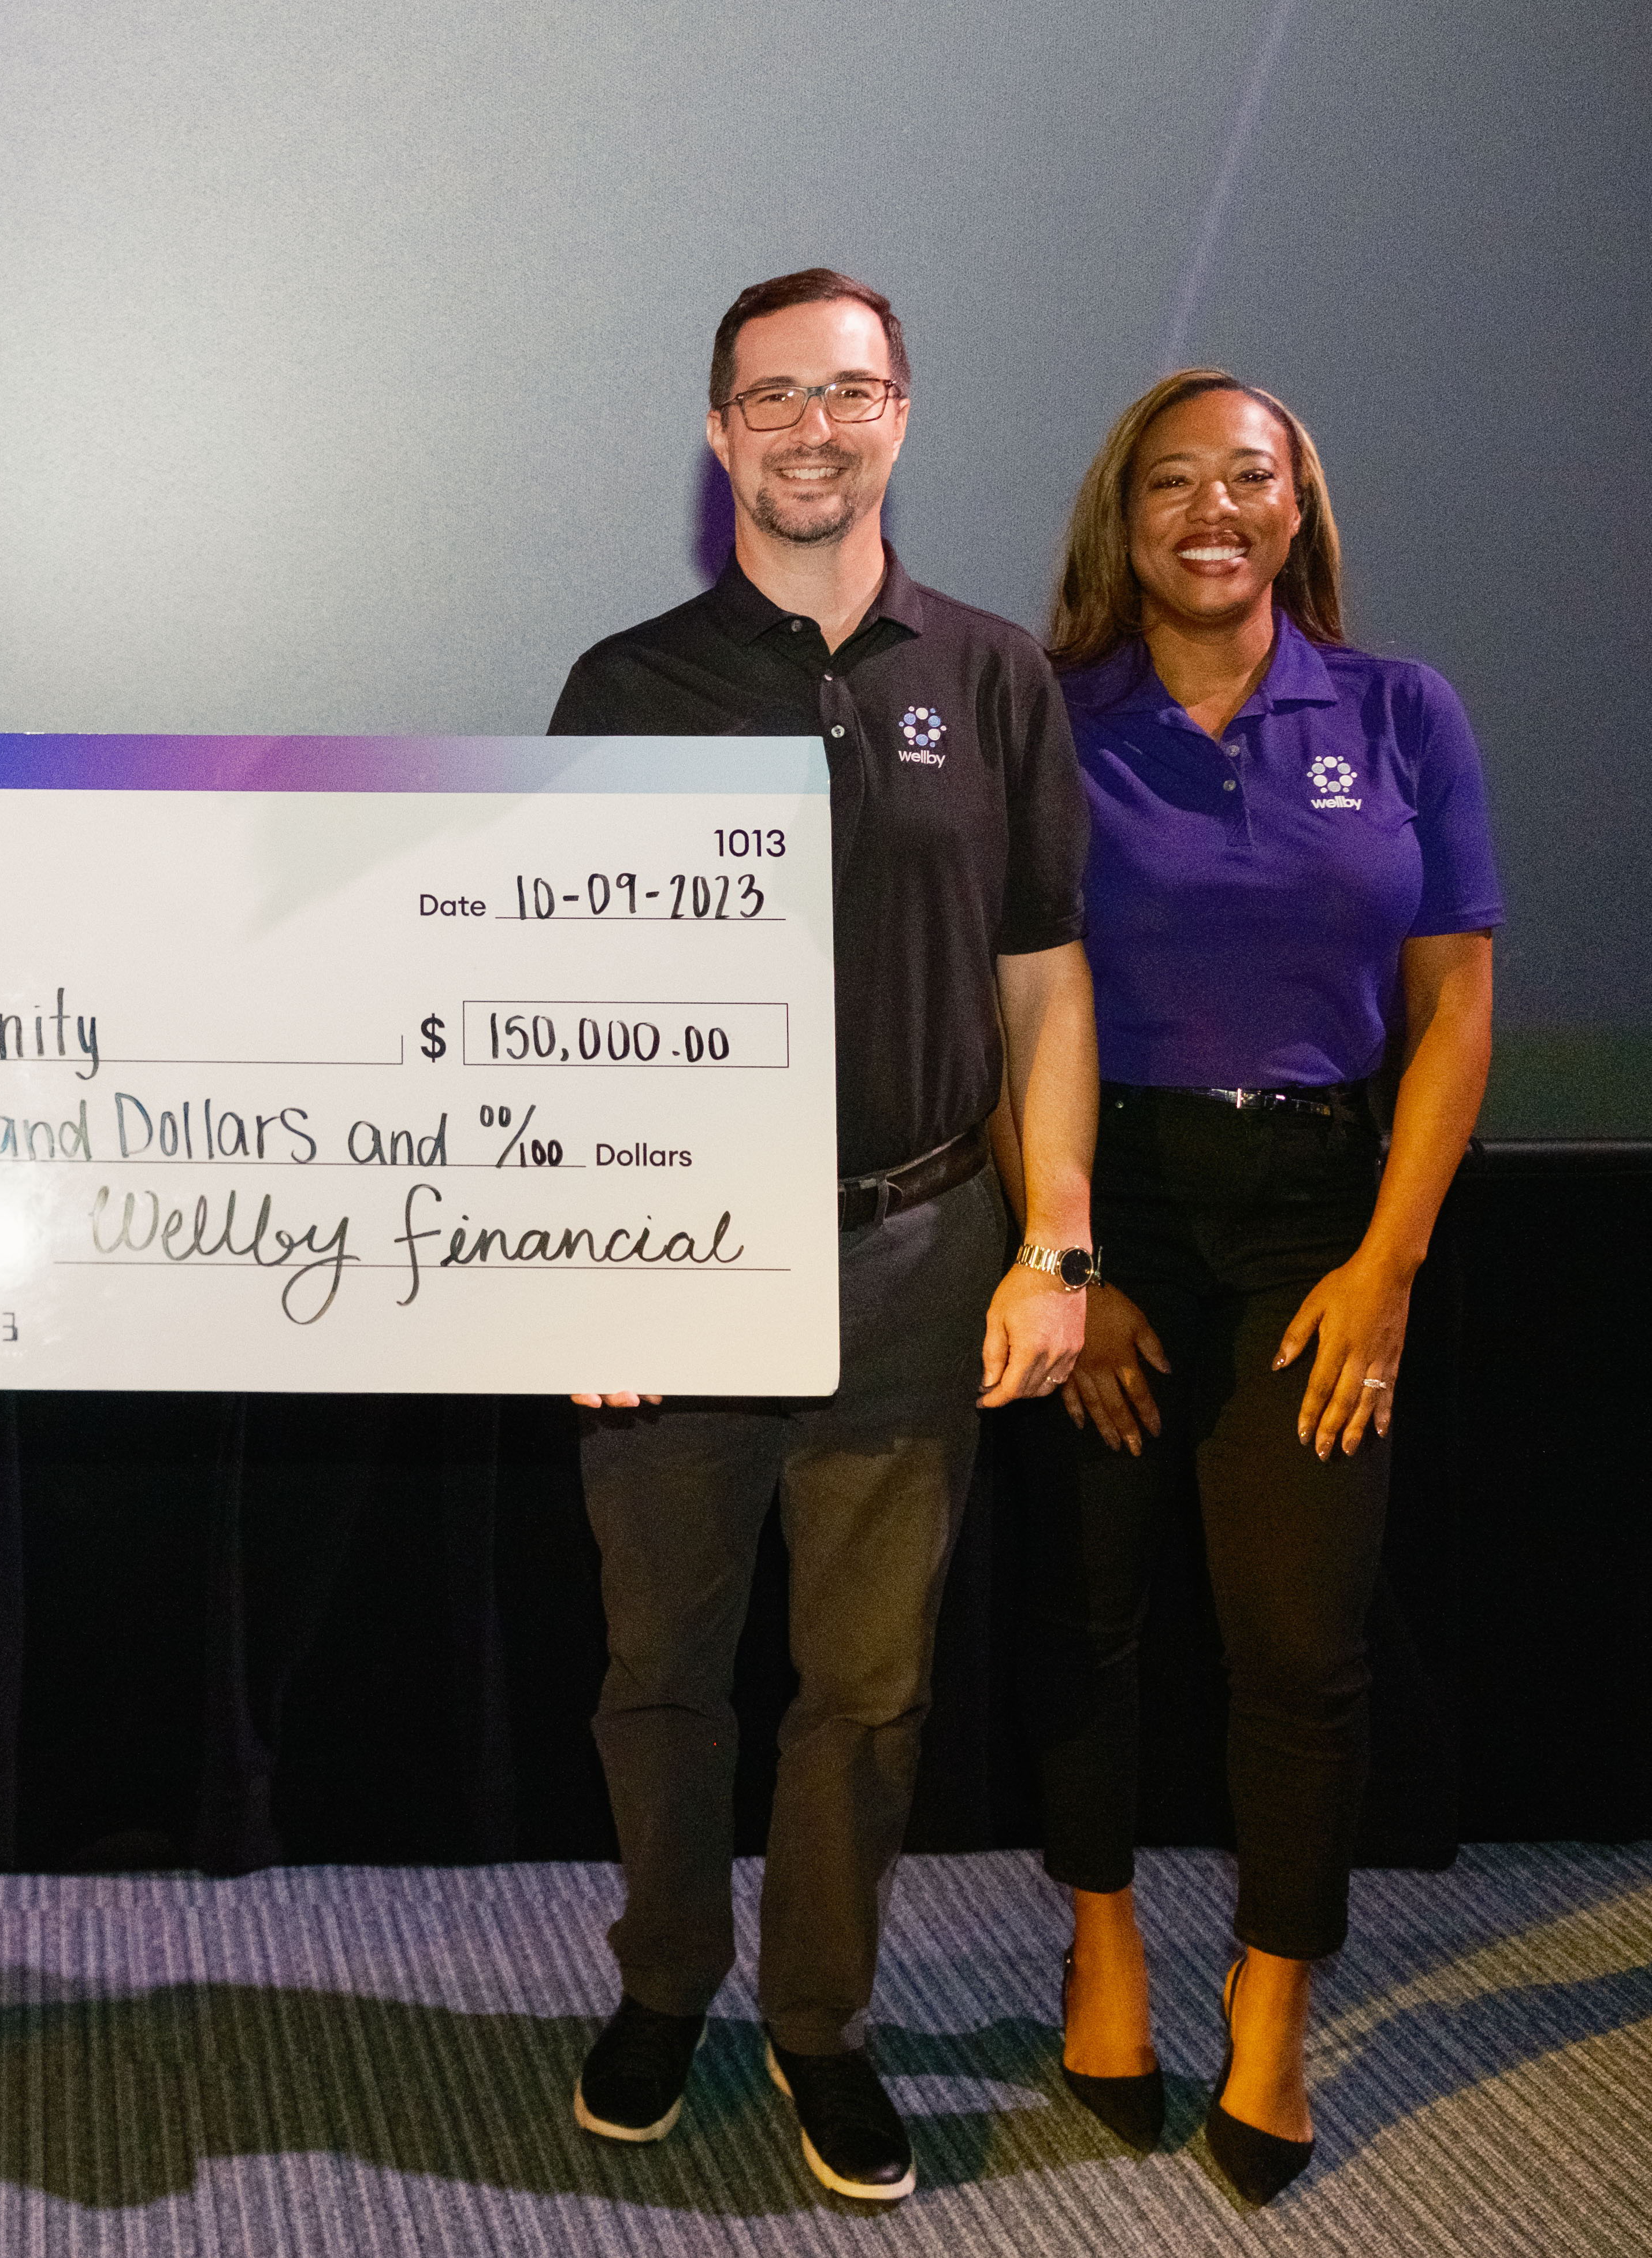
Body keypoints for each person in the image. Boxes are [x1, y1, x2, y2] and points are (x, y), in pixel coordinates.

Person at [544, 269, 1098, 2203]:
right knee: (661, 1671)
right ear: (719, 437)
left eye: (845, 392)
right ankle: (666, 1981)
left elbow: (1042, 979)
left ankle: (818, 2022)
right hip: (676, 1271)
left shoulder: (994, 673)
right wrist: (572, 1264)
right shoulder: (625, 687)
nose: (808, 426)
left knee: (867, 1687)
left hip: (919, 1250)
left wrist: (1061, 1245)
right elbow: (559, 1004)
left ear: (900, 414)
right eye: (768, 398)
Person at [1031, 370, 1499, 2201]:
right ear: (1119, 514)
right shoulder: (1047, 716)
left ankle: (1274, 2006)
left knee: (1300, 1650)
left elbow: (1455, 1003)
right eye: (1171, 480)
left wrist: (1385, 1263)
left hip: (1322, 1213)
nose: (1210, 508)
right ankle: (1100, 1945)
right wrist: (1065, 1257)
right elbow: (1012, 1004)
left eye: (1249, 477)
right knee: (1085, 1612)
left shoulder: (1398, 710)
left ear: (1296, 508)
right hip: (1101, 1195)